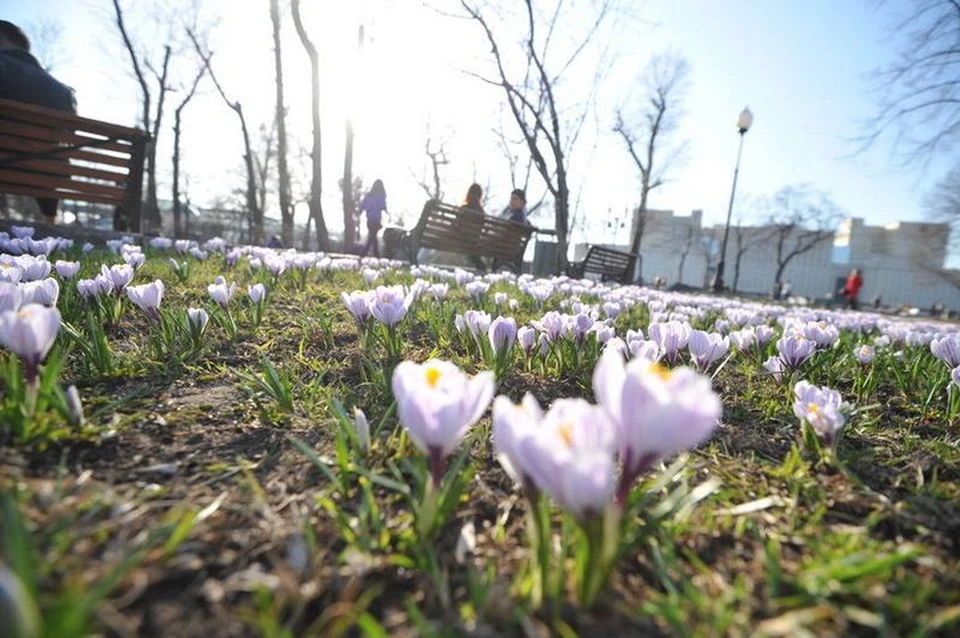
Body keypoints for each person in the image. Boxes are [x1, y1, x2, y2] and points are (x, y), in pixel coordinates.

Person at [0, 21, 76, 225]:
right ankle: (50, 223)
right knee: (50, 157)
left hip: (3, 164)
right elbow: (65, 143)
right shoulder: (62, 91)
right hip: (45, 173)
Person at [357, 179, 387, 258]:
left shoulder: (369, 195)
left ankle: (372, 255)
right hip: (376, 220)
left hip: (369, 220)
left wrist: (359, 213)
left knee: (372, 237)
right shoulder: (381, 195)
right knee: (372, 238)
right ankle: (369, 255)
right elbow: (383, 206)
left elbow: (363, 205)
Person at [460, 183, 486, 270]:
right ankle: (481, 267)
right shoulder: (481, 212)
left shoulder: (463, 208)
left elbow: (456, 224)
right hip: (473, 242)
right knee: (474, 252)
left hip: (460, 240)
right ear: (480, 196)